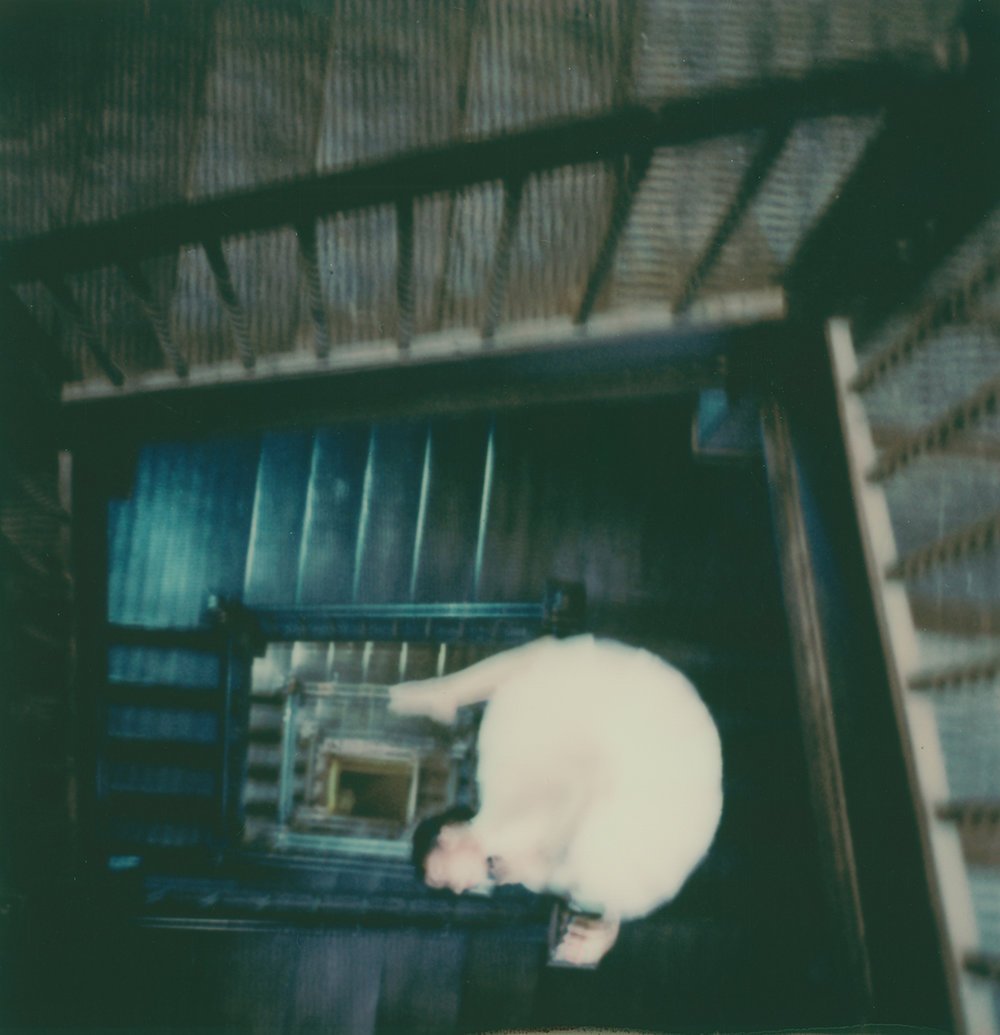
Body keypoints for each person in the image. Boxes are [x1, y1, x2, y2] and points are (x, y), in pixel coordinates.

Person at [390, 634, 723, 966]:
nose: (458, 889)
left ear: (447, 835)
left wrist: (448, 691)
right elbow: (595, 879)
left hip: (639, 760)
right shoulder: (519, 867)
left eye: (443, 877)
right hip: (646, 815)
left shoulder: (502, 804)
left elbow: (584, 783)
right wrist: (604, 929)